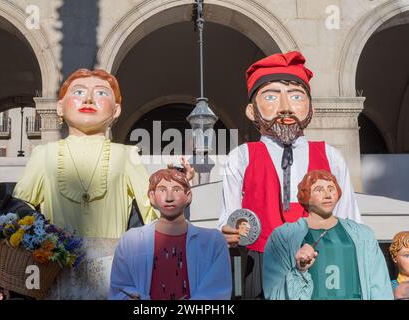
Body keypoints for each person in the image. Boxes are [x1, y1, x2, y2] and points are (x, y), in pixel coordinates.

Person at [10, 69, 193, 299]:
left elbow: (152, 213)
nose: (88, 99)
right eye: (78, 92)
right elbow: (18, 211)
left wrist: (176, 187)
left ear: (116, 110)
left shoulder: (127, 154)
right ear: (59, 106)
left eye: (101, 93)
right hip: (56, 270)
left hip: (116, 271)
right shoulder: (43, 154)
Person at [218, 51, 361, 299]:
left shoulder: (331, 156)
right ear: (252, 111)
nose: (285, 108)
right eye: (271, 97)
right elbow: (228, 215)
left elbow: (351, 220)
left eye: (296, 96)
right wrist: (226, 230)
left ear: (311, 109)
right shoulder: (240, 157)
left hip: (323, 261)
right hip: (261, 264)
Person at [263, 169, 393, 300]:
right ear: (306, 195)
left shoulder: (363, 234)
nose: (327, 195)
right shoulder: (283, 236)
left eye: (331, 189)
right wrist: (299, 270)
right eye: (319, 190)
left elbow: (379, 285)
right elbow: (274, 291)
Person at [109, 168, 232, 300]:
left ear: (188, 195)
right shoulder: (131, 240)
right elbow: (120, 288)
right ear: (151, 196)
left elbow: (218, 291)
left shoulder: (213, 242)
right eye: (162, 190)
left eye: (176, 190)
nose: (169, 198)